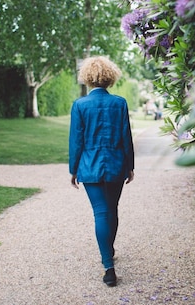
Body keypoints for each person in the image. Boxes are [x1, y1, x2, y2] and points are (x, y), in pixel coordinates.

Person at [69, 56, 135, 287]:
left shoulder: (80, 105)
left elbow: (76, 141)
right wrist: (130, 166)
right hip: (116, 165)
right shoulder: (120, 103)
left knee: (100, 213)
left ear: (87, 78)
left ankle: (108, 264)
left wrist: (73, 169)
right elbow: (126, 137)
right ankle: (109, 250)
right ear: (110, 77)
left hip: (89, 166)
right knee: (112, 209)